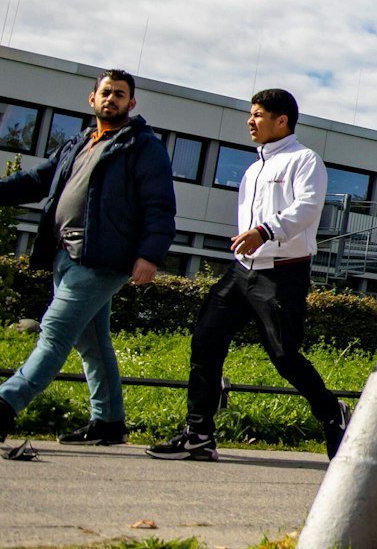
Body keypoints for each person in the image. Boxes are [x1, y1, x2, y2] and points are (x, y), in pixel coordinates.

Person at [0, 69, 175, 448]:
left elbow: (159, 205)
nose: (112, 99)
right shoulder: (79, 142)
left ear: (131, 103)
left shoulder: (141, 145)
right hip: (67, 253)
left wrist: (149, 255)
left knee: (54, 330)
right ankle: (109, 422)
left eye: (120, 94)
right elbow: (36, 181)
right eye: (106, 92)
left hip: (105, 259)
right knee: (92, 341)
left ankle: (3, 406)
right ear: (92, 99)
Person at [147, 89, 348, 462]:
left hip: (282, 274)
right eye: (251, 114)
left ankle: (332, 413)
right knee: (206, 341)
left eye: (257, 114)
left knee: (284, 355)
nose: (250, 121)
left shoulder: (305, 160)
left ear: (281, 120)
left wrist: (265, 231)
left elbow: (307, 208)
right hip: (242, 272)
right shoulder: (255, 167)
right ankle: (198, 435)